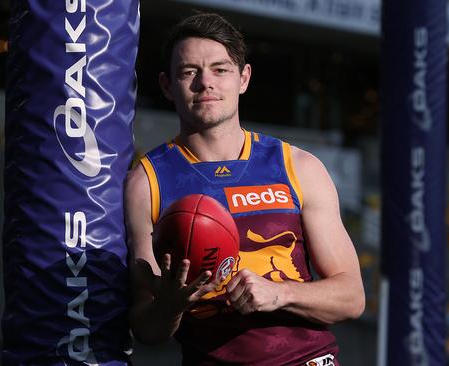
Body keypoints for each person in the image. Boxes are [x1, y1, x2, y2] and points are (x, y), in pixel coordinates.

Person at [125, 12, 365, 365]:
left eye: (220, 70)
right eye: (189, 71)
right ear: (166, 85)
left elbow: (351, 297)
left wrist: (279, 293)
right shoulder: (147, 182)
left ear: (244, 78)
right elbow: (146, 327)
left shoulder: (299, 167)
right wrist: (171, 305)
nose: (205, 82)